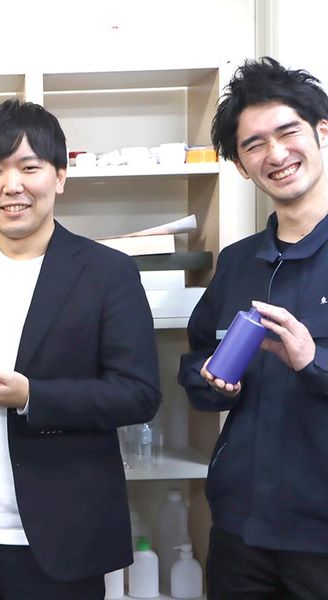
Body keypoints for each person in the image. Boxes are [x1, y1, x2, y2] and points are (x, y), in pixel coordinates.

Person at [0, 98, 161, 599]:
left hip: (65, 533)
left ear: (60, 176)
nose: (11, 185)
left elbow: (138, 394)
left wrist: (30, 397)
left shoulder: (107, 272)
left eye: (29, 167)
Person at [178, 56, 328, 599]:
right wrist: (214, 383)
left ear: (322, 131)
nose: (276, 155)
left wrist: (313, 362)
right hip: (241, 529)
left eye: (288, 132)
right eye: (255, 145)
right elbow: (196, 361)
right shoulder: (238, 263)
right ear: (242, 166)